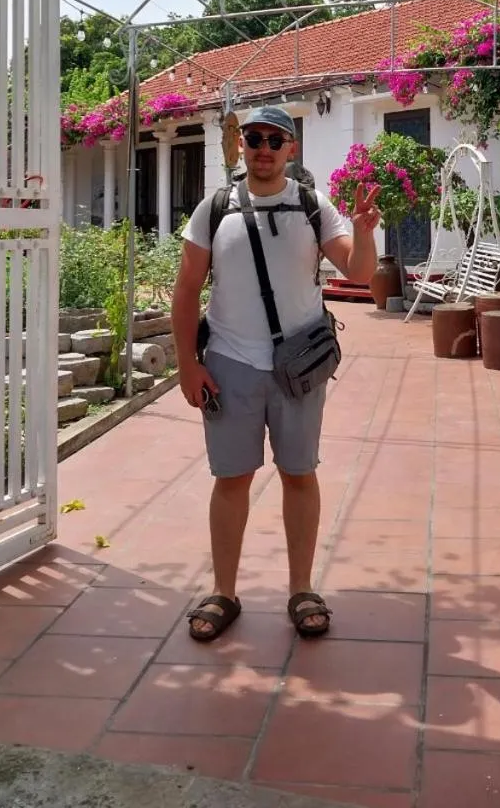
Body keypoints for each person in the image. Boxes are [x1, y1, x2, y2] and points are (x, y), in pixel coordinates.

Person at [171, 105, 381, 642]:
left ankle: (301, 588)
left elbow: (358, 272)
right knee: (231, 479)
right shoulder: (214, 209)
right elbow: (188, 287)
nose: (264, 148)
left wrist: (362, 233)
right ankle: (223, 591)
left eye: (275, 140)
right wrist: (188, 364)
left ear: (291, 148)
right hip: (229, 364)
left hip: (298, 367)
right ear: (242, 145)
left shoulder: (313, 206)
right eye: (255, 138)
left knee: (298, 474)